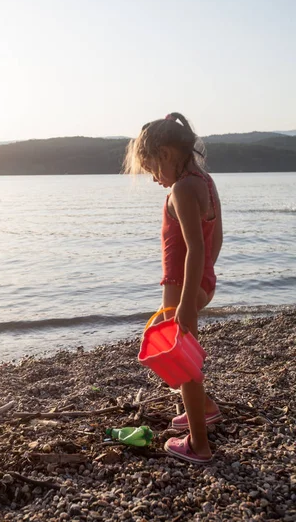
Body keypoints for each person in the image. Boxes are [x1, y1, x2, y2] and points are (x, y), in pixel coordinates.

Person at [124, 112, 223, 464]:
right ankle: (205, 409)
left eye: (152, 168)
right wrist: (204, 282)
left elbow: (194, 249)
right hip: (201, 282)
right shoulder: (206, 182)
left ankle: (199, 445)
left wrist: (184, 300)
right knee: (185, 357)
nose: (154, 178)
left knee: (184, 365)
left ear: (166, 154)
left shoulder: (181, 189)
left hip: (182, 285)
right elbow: (215, 242)